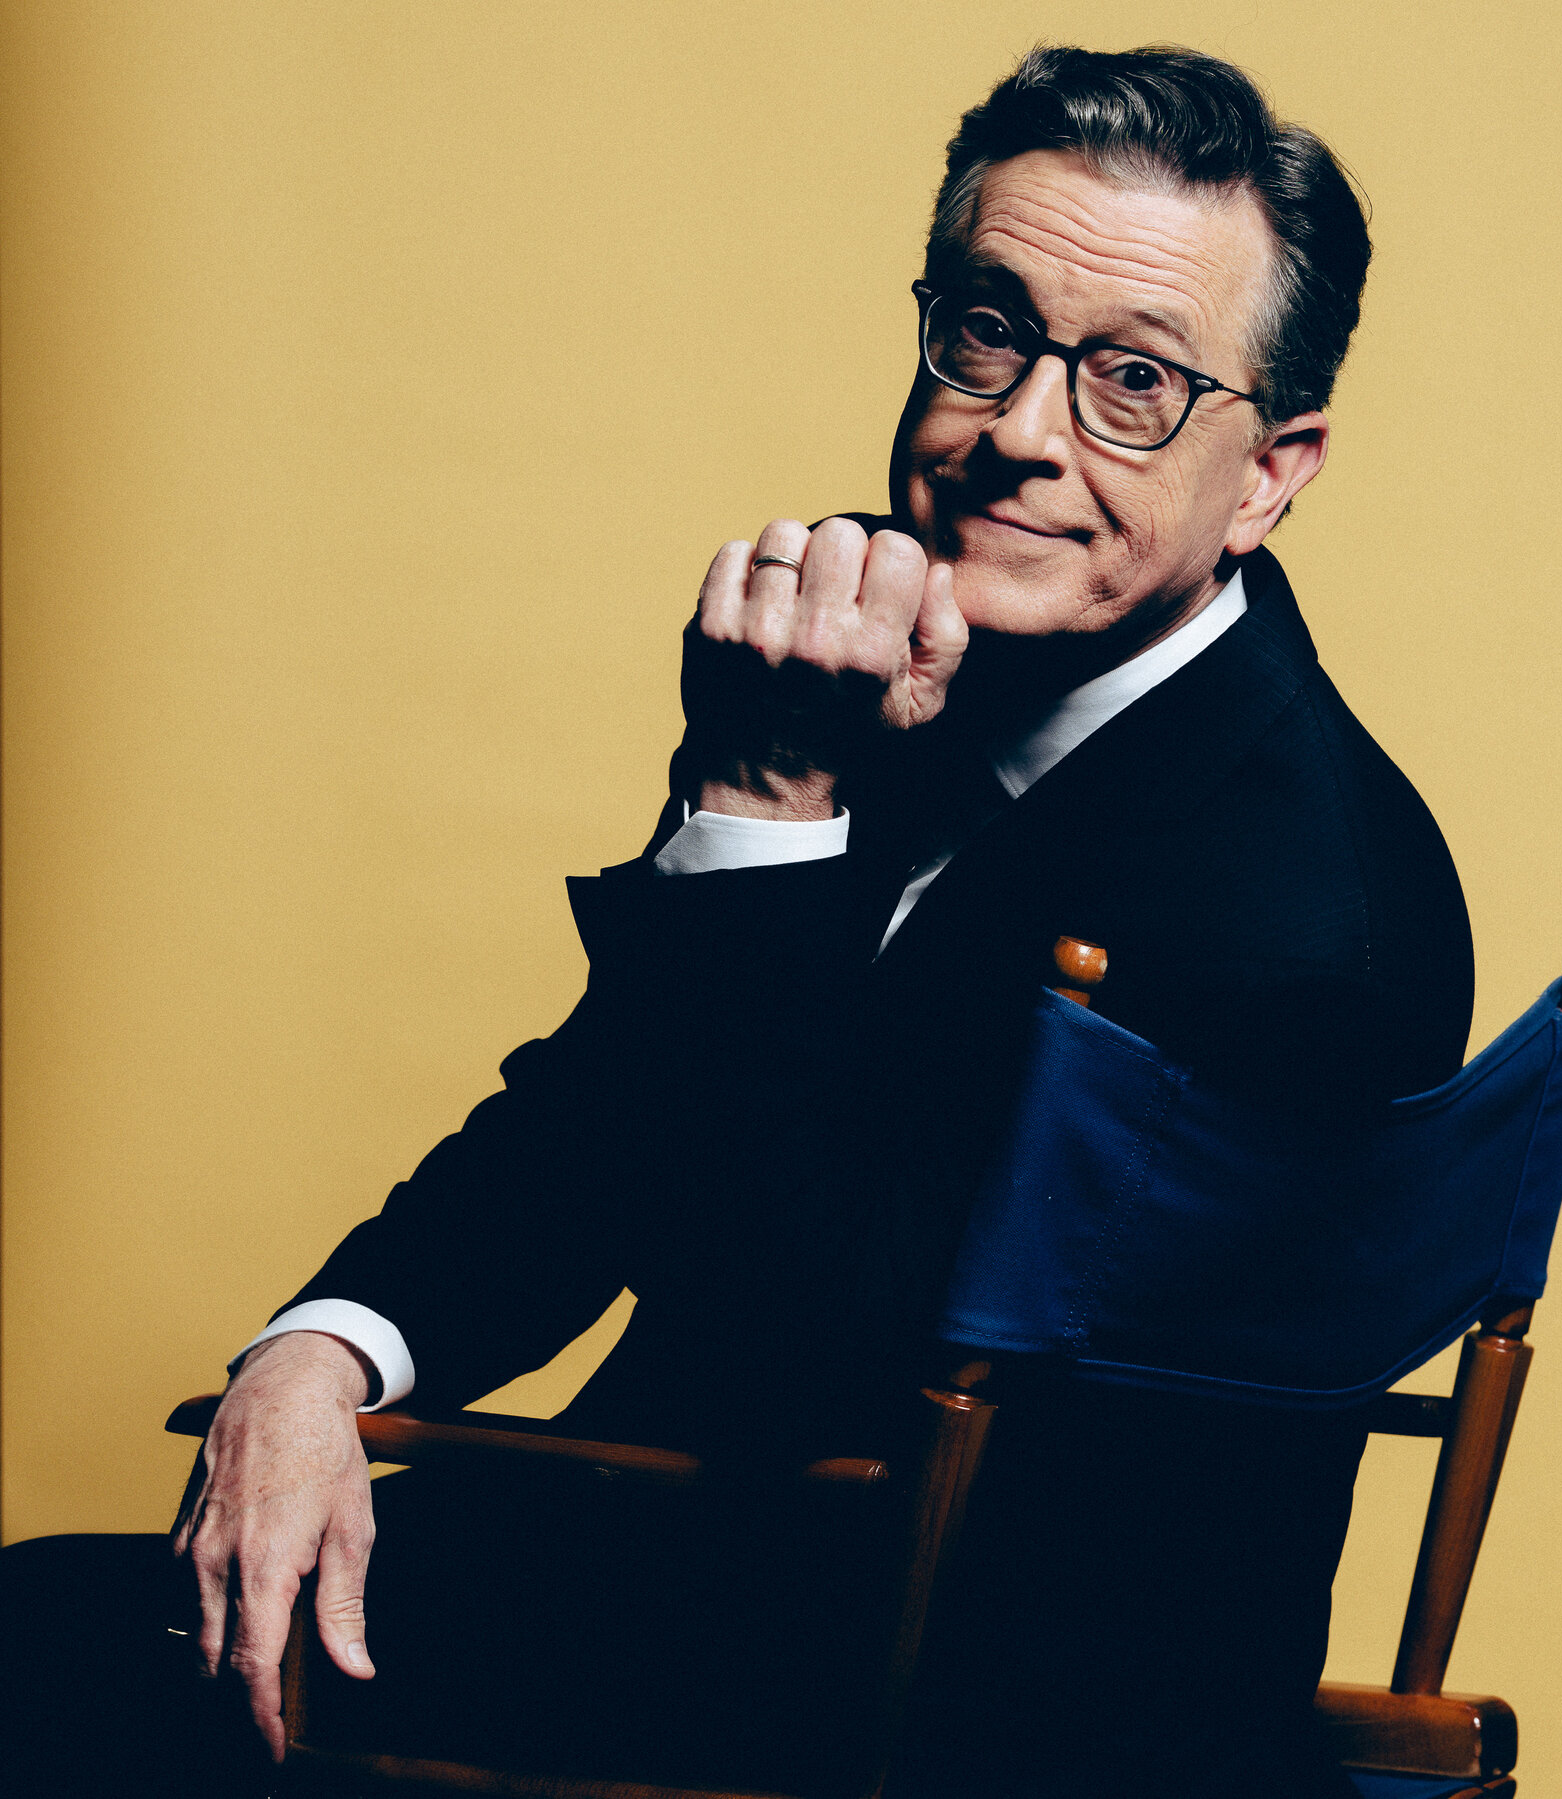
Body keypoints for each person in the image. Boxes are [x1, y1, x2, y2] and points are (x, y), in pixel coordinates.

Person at [3, 44, 1474, 1798]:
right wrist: (328, 1352)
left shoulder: (1304, 920)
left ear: (1269, 475)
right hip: (683, 1563)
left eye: (1135, 382)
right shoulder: (882, 645)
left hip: (927, 1695)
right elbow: (610, 1104)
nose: (1020, 433)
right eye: (988, 331)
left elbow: (805, 1357)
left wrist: (768, 803)